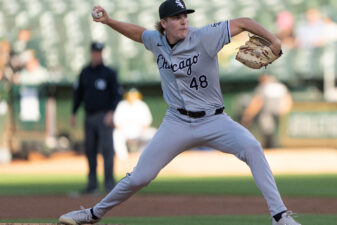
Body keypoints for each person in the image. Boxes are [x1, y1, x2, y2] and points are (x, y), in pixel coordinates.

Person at [59, 1, 301, 225]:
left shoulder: (206, 36)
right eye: (176, 17)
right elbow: (138, 34)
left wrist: (273, 39)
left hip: (214, 119)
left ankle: (279, 216)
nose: (184, 20)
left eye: (184, 15)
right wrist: (109, 21)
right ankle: (92, 214)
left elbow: (245, 22)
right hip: (177, 121)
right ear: (164, 24)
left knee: (252, 147)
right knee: (139, 178)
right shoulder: (156, 40)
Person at [70, 41, 121, 194]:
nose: (97, 55)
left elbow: (116, 95)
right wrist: (73, 112)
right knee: (90, 151)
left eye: (99, 52)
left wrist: (111, 113)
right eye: (94, 52)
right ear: (91, 53)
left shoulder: (109, 73)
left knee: (107, 151)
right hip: (89, 115)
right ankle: (92, 185)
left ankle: (109, 184)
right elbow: (78, 94)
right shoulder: (85, 72)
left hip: (104, 115)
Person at [241, 75, 292, 149]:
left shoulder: (264, 87)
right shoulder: (280, 86)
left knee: (267, 129)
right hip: (278, 110)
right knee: (273, 129)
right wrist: (285, 108)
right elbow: (287, 99)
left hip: (268, 111)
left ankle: (271, 146)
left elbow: (258, 101)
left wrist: (249, 113)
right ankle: (274, 145)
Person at [113, 88, 156, 160]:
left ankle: (143, 155)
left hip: (139, 131)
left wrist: (141, 131)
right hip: (125, 131)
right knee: (116, 133)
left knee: (152, 133)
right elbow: (117, 123)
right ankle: (123, 158)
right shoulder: (122, 105)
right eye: (130, 95)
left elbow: (146, 123)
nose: (132, 97)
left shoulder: (142, 105)